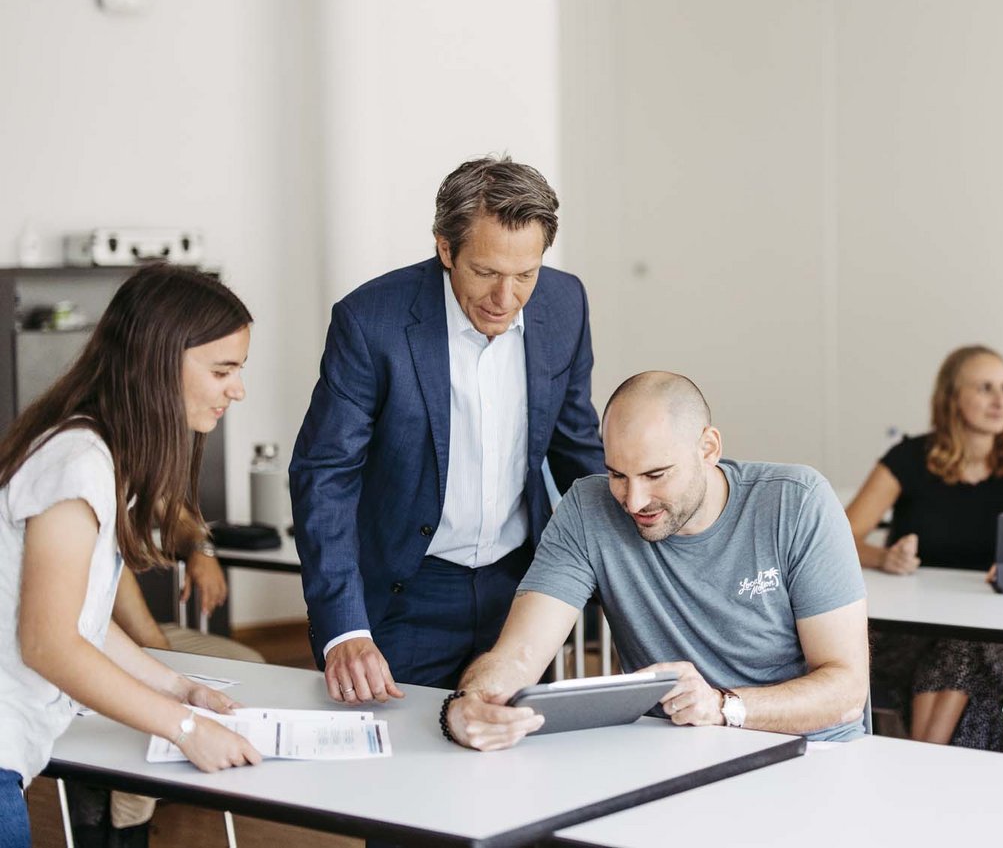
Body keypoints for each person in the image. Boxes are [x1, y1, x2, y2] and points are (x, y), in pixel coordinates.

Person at [291, 155, 606, 705]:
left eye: (525, 274)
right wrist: (344, 628)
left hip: (520, 588)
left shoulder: (565, 304)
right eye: (485, 272)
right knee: (396, 771)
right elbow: (326, 475)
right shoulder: (371, 322)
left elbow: (579, 451)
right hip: (406, 590)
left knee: (518, 759)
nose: (505, 299)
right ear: (445, 249)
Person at [440, 372, 869, 750]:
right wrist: (470, 704)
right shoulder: (587, 510)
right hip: (674, 752)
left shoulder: (796, 501)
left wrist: (724, 706)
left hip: (811, 753)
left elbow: (847, 691)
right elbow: (517, 657)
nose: (634, 501)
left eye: (655, 475)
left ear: (708, 448)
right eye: (617, 475)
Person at [0, 266, 262, 847]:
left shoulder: (103, 459)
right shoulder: (77, 462)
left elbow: (82, 625)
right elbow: (48, 642)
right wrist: (186, 729)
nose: (236, 389)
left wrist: (178, 689)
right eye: (222, 371)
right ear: (157, 364)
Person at [844, 345, 1003, 752]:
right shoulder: (909, 459)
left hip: (995, 634)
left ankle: (920, 764)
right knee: (958, 661)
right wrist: (887, 557)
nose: (999, 400)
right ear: (952, 398)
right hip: (909, 632)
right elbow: (841, 536)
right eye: (985, 388)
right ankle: (944, 778)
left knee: (961, 649)